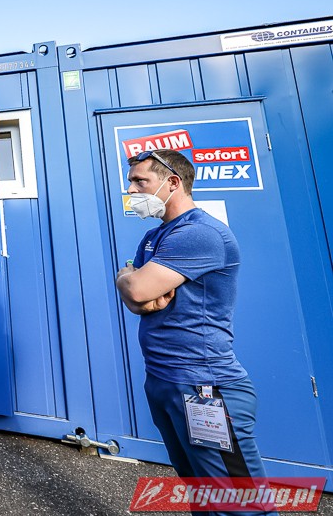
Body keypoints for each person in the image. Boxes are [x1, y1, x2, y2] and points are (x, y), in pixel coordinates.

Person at [115, 149, 273, 514]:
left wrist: (127, 280)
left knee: (238, 502)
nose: (131, 190)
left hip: (204, 387)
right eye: (130, 182)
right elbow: (138, 298)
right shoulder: (155, 236)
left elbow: (136, 290)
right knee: (202, 493)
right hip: (163, 380)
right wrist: (131, 284)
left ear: (172, 182)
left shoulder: (199, 233)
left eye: (140, 181)